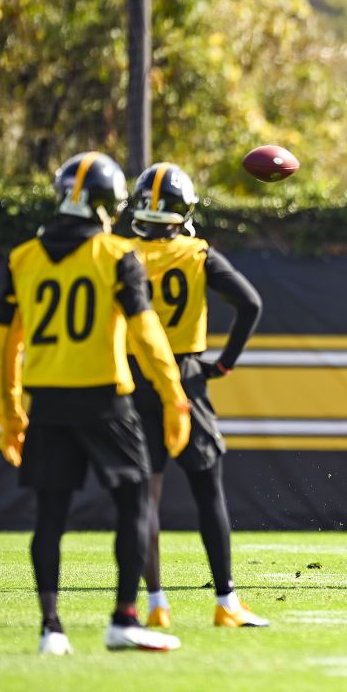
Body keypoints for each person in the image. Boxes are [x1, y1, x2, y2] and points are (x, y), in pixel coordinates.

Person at [0, 151, 191, 654]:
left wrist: (12, 411)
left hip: (48, 401)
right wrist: (174, 398)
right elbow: (147, 335)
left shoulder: (22, 259)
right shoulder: (119, 254)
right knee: (136, 501)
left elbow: (3, 346)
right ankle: (124, 618)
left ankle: (50, 629)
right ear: (107, 205)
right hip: (105, 399)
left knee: (49, 514)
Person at [125, 161, 268, 629]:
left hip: (135, 376)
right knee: (208, 492)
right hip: (186, 377)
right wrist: (224, 362)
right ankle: (226, 602)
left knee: (145, 496)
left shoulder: (120, 253)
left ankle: (155, 604)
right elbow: (250, 303)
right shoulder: (197, 253)